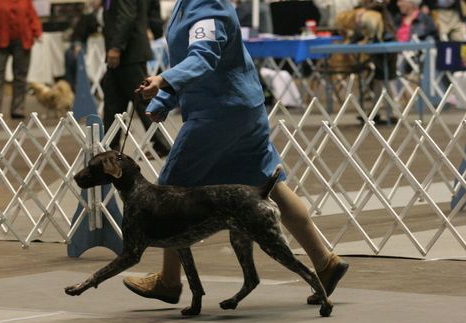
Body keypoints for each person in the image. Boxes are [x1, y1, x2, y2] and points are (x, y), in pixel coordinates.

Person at [123, 0, 349, 306]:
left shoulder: (209, 6)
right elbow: (189, 62)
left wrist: (164, 81)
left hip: (220, 113)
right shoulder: (185, 5)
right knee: (269, 186)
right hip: (236, 108)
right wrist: (164, 99)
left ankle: (169, 281)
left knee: (169, 191)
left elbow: (203, 58)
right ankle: (325, 262)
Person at [101, 0, 170, 157]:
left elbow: (126, 16)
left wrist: (116, 47)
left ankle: (162, 143)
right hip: (128, 53)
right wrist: (156, 30)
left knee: (143, 99)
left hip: (128, 53)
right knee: (113, 102)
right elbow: (153, 9)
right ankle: (111, 148)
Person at [0, 0, 42, 121]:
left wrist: (37, 32)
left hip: (22, 40)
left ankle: (18, 110)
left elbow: (32, 15)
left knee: (20, 77)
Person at [63, 0, 103, 91]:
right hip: (88, 45)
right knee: (70, 54)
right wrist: (77, 44)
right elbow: (78, 33)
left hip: (104, 47)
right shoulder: (88, 15)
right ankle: (71, 88)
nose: (93, 1)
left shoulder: (108, 13)